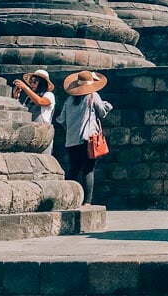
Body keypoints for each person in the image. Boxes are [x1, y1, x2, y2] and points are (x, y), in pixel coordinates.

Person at [57, 70, 113, 204]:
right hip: (87, 140)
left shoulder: (69, 100)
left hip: (71, 140)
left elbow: (62, 120)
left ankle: (69, 200)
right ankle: (87, 201)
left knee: (73, 169)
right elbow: (102, 112)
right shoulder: (93, 96)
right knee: (88, 170)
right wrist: (108, 105)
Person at [11, 69, 57, 154]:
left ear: (42, 83)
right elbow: (22, 112)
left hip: (43, 137)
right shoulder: (28, 99)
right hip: (29, 135)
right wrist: (15, 97)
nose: (32, 84)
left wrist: (25, 88)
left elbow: (40, 101)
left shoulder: (49, 95)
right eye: (31, 82)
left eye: (35, 82)